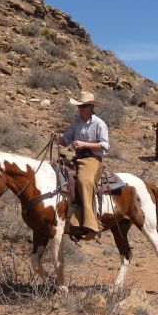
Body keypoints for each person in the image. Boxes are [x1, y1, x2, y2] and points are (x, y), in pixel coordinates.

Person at [59, 91, 109, 240]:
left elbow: (105, 145)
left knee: (84, 181)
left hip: (92, 159)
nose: (81, 109)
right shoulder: (76, 123)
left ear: (91, 106)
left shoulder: (99, 124)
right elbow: (66, 139)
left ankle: (91, 224)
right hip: (77, 158)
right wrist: (58, 138)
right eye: (79, 106)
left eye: (84, 106)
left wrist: (84, 144)